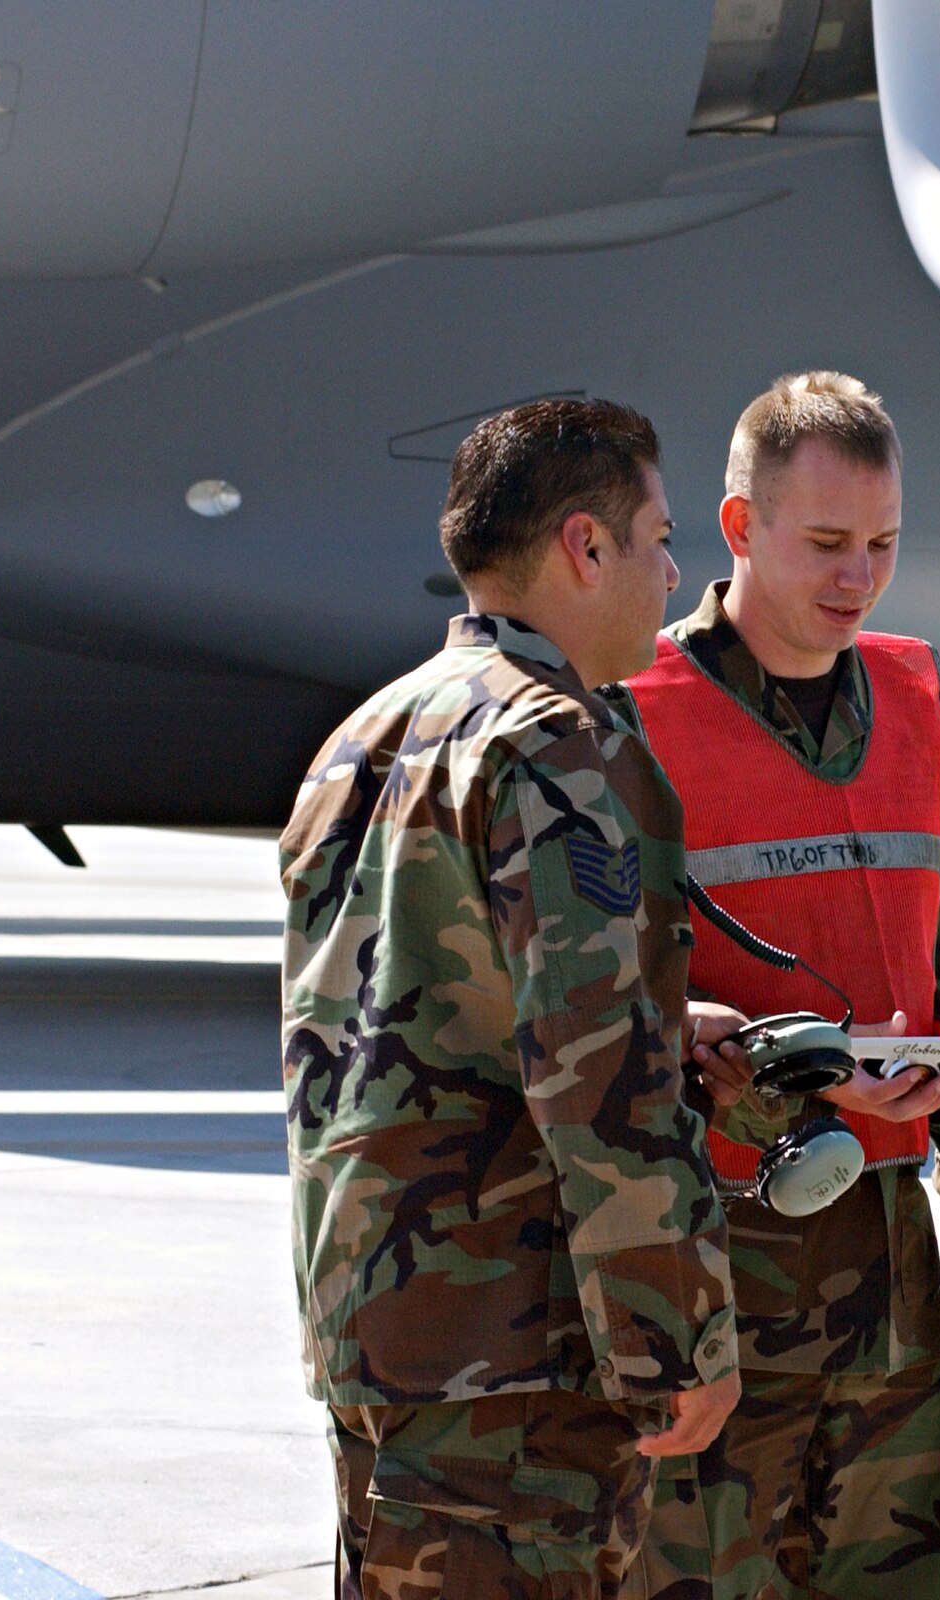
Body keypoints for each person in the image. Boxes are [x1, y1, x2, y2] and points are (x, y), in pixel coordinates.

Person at [280, 399, 743, 1600]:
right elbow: (597, 1075)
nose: (673, 570)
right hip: (517, 1360)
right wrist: (675, 1334)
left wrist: (660, 1016)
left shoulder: (366, 736)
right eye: (656, 535)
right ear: (584, 548)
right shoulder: (554, 742)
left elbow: (397, 1018)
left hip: (379, 1329)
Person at [611, 372, 940, 1600]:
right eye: (824, 544)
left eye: (881, 544)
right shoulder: (630, 714)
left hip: (888, 1269)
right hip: (712, 1269)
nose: (856, 577)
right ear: (739, 527)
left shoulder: (909, 694)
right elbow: (591, 998)